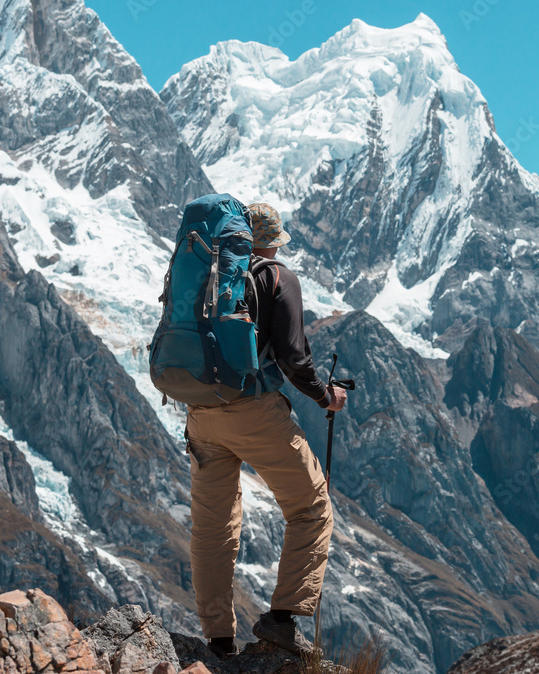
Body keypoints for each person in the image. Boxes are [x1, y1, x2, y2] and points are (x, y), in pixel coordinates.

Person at [183, 202, 347, 658]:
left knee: (213, 529)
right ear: (273, 241)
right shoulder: (278, 277)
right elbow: (295, 359)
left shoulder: (205, 269)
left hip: (200, 410)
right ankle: (283, 618)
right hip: (250, 410)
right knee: (311, 506)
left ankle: (218, 642)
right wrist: (326, 395)